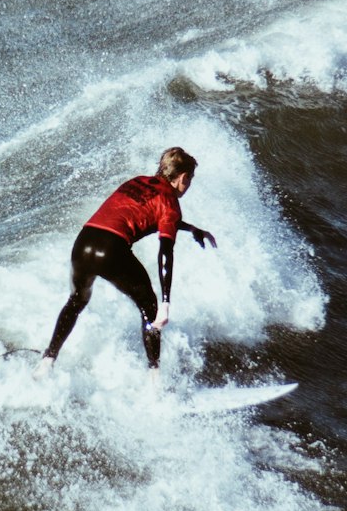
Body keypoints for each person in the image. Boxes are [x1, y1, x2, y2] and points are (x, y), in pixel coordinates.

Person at [35, 146, 217, 376]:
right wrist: (166, 303)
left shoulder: (137, 182)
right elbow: (165, 252)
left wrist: (191, 228)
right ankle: (155, 382)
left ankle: (47, 361)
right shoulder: (170, 201)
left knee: (76, 301)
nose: (188, 186)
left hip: (84, 243)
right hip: (111, 249)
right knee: (149, 307)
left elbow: (148, 213)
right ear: (182, 177)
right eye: (189, 180)